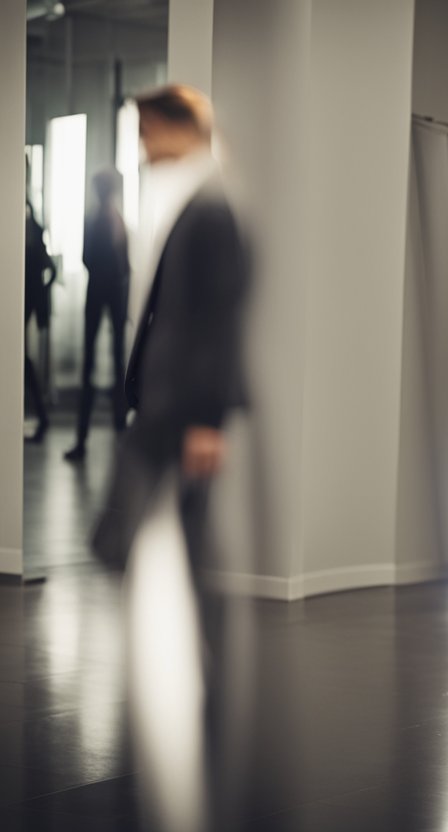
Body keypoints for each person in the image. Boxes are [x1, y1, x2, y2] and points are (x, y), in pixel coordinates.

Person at [91, 83, 250, 830]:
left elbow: (218, 321)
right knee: (173, 532)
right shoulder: (196, 201)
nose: (144, 145)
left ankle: (201, 670)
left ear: (181, 127)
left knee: (158, 530)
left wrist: (209, 417)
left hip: (183, 409)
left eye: (149, 130)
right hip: (169, 404)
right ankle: (195, 667)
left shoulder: (212, 208)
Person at [64, 169, 130, 461]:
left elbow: (119, 263)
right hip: (104, 294)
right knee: (95, 364)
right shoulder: (104, 219)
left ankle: (114, 433)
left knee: (115, 364)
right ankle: (85, 437)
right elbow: (91, 258)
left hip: (109, 295)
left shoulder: (114, 219)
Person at [24, 201, 55, 443]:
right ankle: (41, 417)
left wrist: (37, 292)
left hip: (25, 302)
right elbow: (51, 270)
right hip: (29, 301)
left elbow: (51, 269)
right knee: (22, 358)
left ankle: (42, 417)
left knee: (22, 358)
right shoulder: (34, 230)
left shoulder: (30, 233)